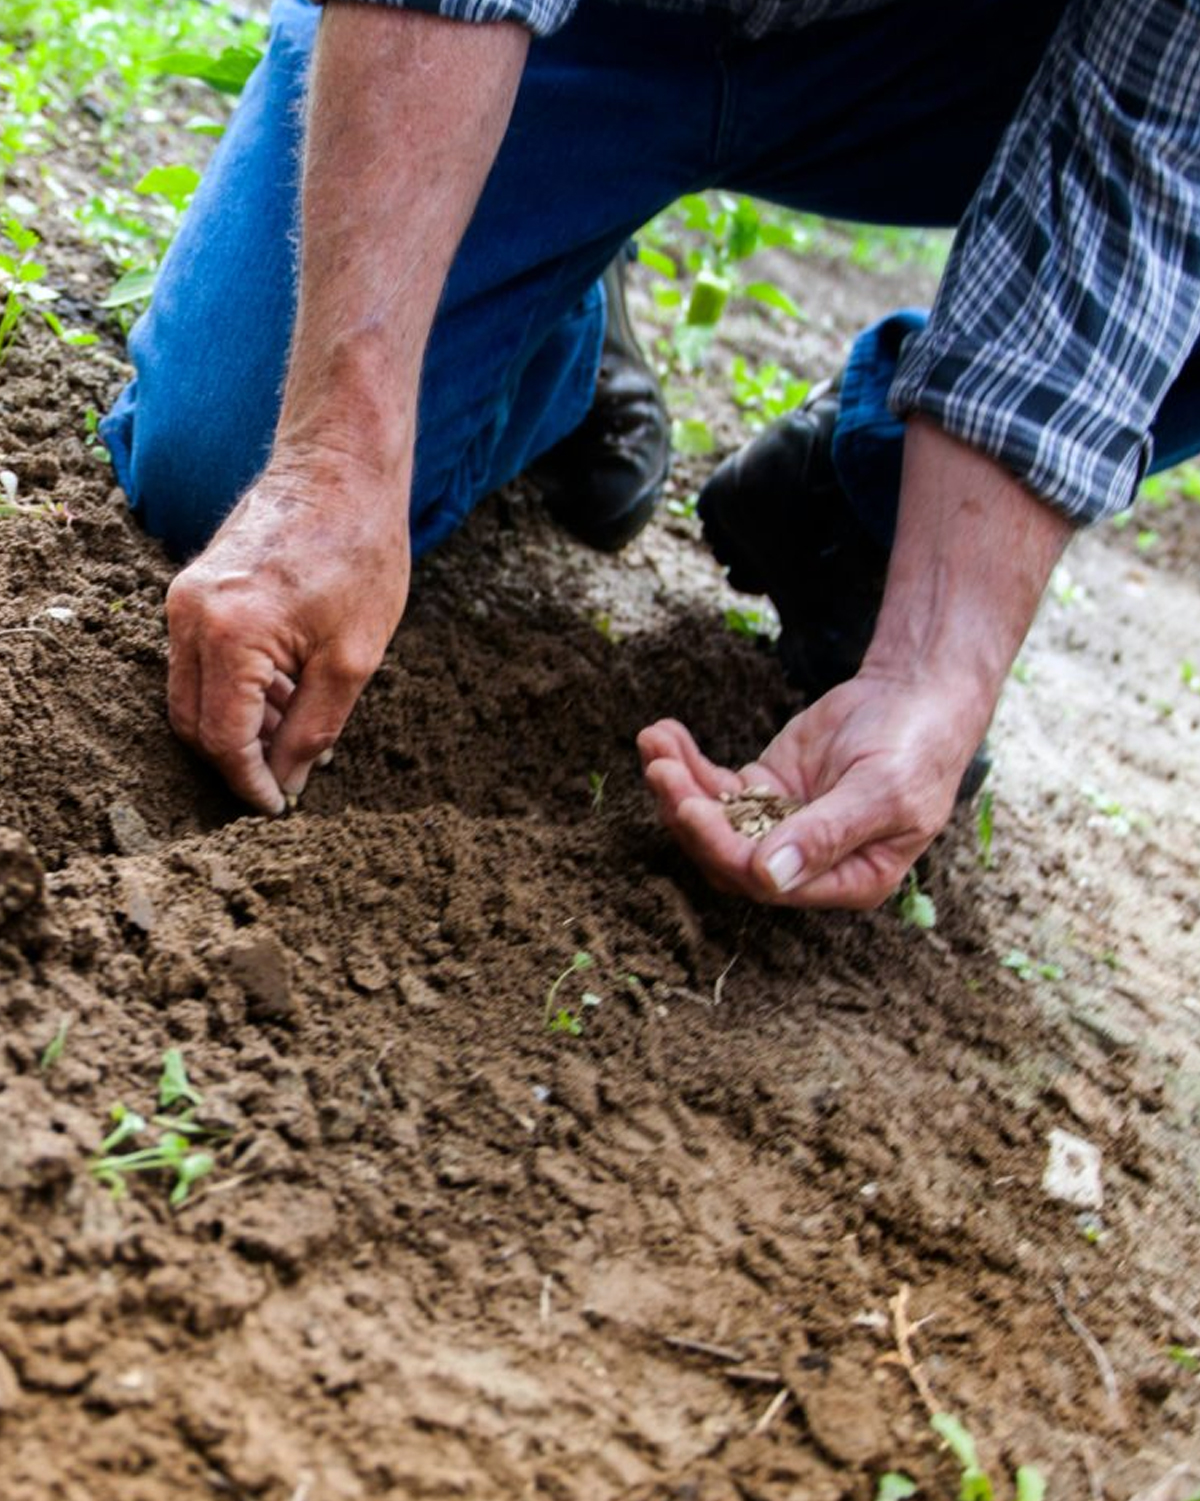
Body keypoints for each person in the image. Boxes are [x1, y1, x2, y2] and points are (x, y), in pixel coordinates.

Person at [101, 0, 1200, 911]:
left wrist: (934, 667)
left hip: (953, 57)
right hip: (589, 26)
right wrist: (334, 458)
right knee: (227, 461)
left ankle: (868, 495)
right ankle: (554, 310)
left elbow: (1147, 160)